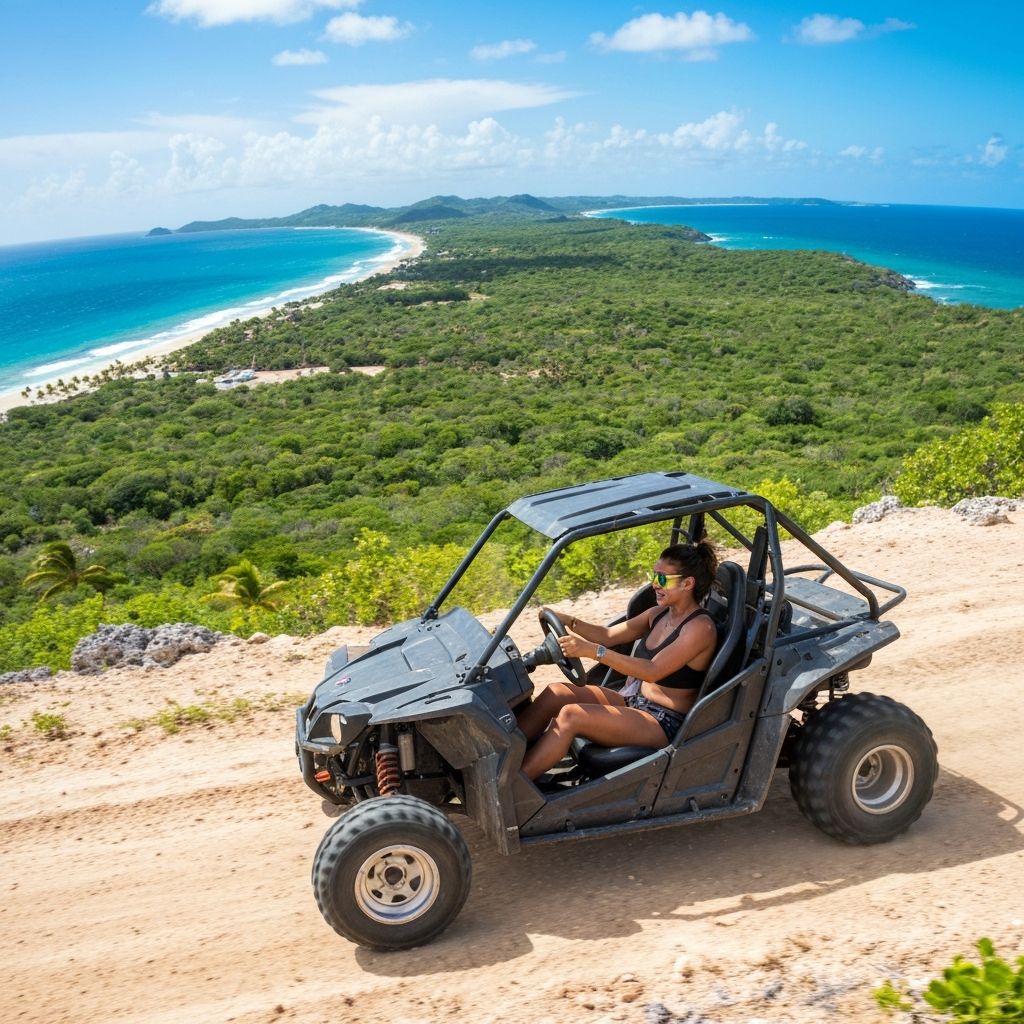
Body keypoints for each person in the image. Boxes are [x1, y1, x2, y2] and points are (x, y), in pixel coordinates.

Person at [518, 539, 719, 781]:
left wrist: (593, 651)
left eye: (663, 579)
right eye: (654, 576)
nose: (655, 584)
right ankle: (500, 758)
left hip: (662, 721)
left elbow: (652, 671)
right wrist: (569, 621)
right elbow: (608, 635)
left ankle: (508, 788)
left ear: (687, 583)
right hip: (635, 700)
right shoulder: (658, 614)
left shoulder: (699, 628)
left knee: (571, 715)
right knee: (557, 693)